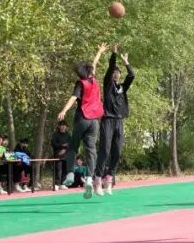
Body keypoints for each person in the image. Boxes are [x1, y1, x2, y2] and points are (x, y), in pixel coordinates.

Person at [57, 44, 107, 198]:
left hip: (82, 118)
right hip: (95, 121)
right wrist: (99, 51)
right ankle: (90, 179)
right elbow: (95, 63)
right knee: (91, 150)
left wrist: (64, 110)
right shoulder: (94, 79)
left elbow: (73, 98)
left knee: (73, 146)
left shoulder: (81, 83)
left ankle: (70, 174)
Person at [97, 45, 135, 193]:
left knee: (117, 151)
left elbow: (131, 75)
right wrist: (114, 53)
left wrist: (126, 62)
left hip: (119, 121)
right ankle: (98, 178)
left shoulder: (122, 88)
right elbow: (110, 67)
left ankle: (109, 177)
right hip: (107, 120)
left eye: (118, 73)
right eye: (114, 72)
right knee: (105, 150)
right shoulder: (107, 85)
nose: (116, 74)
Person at [51, 120, 72, 192]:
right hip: (58, 155)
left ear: (66, 127)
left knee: (65, 170)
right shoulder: (55, 134)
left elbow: (71, 144)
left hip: (66, 155)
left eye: (64, 125)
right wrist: (62, 145)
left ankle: (63, 184)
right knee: (58, 170)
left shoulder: (68, 135)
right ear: (59, 126)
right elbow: (53, 144)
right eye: (62, 125)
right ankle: (56, 184)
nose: (63, 127)